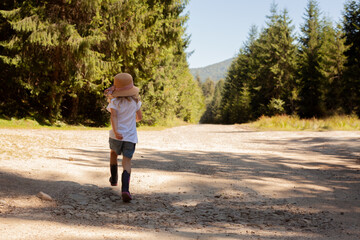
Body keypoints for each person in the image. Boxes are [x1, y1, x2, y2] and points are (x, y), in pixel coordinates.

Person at [105, 73, 142, 203]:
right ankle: (125, 189)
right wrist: (132, 118)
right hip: (130, 137)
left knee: (113, 153)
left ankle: (114, 179)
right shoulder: (135, 102)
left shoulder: (114, 102)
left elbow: (113, 117)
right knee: (127, 161)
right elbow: (139, 118)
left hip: (116, 136)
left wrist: (116, 131)